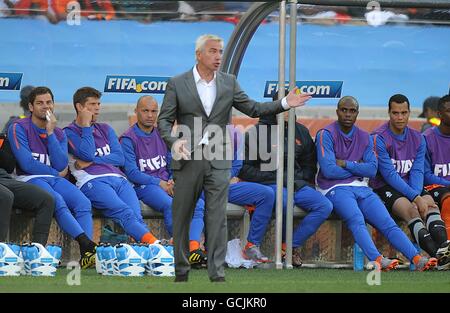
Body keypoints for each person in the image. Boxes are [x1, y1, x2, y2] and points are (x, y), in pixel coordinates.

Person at [157, 34, 311, 282]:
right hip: (187, 160)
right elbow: (163, 121)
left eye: (220, 51)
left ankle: (217, 274)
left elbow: (254, 109)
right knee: (183, 214)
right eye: (213, 51)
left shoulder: (229, 82)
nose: (218, 56)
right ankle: (181, 271)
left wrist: (284, 103)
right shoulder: (177, 83)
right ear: (199, 54)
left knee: (217, 217)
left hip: (218, 159)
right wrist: (174, 142)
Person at [316, 96, 437, 271]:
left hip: (362, 187)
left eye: (352, 111)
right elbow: (329, 171)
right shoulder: (325, 134)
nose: (348, 114)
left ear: (357, 113)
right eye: (344, 110)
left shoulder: (365, 136)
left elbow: (372, 170)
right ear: (337, 112)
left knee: (387, 223)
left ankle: (417, 258)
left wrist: (347, 164)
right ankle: (378, 259)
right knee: (356, 219)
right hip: (334, 188)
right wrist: (359, 167)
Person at [8, 86, 97, 268]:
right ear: (31, 107)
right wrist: (56, 173)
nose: (45, 107)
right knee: (56, 200)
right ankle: (85, 243)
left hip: (53, 178)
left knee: (83, 203)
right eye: (40, 103)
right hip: (28, 179)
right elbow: (27, 165)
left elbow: (60, 163)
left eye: (49, 102)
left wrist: (49, 133)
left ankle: (87, 255)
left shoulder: (57, 132)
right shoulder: (18, 127)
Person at [238, 99, 333, 267]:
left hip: (297, 185)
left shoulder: (301, 132)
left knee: (324, 206)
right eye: (285, 106)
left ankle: (288, 247)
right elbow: (244, 169)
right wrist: (273, 177)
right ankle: (262, 246)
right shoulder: (256, 133)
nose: (288, 110)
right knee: (285, 200)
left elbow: (309, 166)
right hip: (270, 184)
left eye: (292, 107)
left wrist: (298, 178)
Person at [64, 87, 160, 247]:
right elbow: (86, 153)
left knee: (136, 216)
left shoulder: (106, 128)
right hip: (93, 181)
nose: (97, 108)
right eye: (92, 104)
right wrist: (86, 126)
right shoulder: (69, 132)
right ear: (79, 107)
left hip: (120, 180)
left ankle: (144, 252)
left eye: (98, 104)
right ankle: (156, 246)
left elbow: (119, 157)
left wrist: (93, 161)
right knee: (125, 212)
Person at [120, 95, 207, 266]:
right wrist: (159, 183)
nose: (150, 115)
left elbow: (172, 162)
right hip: (143, 186)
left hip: (166, 183)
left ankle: (194, 248)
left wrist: (173, 179)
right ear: (136, 111)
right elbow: (131, 172)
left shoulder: (163, 134)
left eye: (153, 111)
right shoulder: (128, 138)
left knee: (199, 204)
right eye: (145, 111)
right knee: (171, 205)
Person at [370, 94, 450, 270]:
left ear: (409, 113)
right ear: (389, 113)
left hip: (410, 185)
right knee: (410, 211)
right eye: (395, 113)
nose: (400, 117)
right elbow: (389, 175)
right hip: (386, 187)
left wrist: (418, 195)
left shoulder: (418, 138)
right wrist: (415, 197)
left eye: (404, 113)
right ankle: (439, 258)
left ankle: (445, 250)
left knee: (430, 206)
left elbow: (417, 170)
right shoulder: (379, 137)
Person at [0, 131, 54, 245]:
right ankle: (1, 251)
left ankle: (37, 251)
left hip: (4, 178)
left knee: (46, 199)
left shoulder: (2, 137)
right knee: (5, 196)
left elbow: (9, 167)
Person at [424, 95, 450, 251]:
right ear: (439, 114)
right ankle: (447, 250)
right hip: (433, 188)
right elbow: (426, 175)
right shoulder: (427, 138)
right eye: (449, 111)